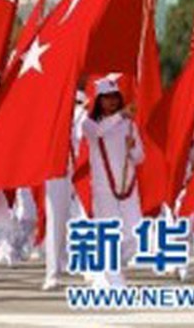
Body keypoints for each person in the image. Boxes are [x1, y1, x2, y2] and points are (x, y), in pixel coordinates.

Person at [81, 77, 144, 289]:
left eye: (114, 97)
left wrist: (132, 147)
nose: (111, 102)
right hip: (103, 187)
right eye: (106, 98)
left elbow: (140, 156)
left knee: (134, 234)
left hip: (127, 186)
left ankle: (104, 268)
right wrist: (121, 115)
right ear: (98, 100)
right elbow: (99, 132)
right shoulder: (89, 124)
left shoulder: (128, 124)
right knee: (108, 233)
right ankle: (114, 279)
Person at [42, 89, 88, 290]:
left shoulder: (83, 117)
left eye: (78, 101)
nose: (74, 104)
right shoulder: (49, 113)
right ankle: (52, 272)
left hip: (82, 168)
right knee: (56, 219)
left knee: (84, 216)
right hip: (56, 169)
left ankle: (87, 265)